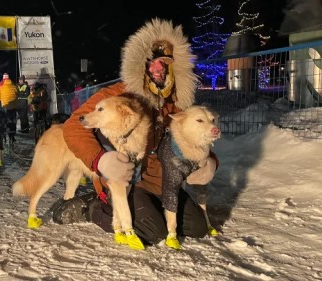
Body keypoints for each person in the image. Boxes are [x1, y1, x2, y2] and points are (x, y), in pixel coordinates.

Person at [55, 18, 219, 248]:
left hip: (162, 182)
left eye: (165, 62)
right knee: (154, 233)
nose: (158, 68)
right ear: (140, 65)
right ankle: (93, 207)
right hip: (129, 178)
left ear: (174, 67)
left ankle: (150, 211)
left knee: (197, 228)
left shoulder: (177, 104)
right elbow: (74, 126)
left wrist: (209, 162)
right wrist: (101, 160)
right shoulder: (118, 95)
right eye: (151, 62)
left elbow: (195, 138)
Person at [0, 73, 17, 142]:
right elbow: (17, 95)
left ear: (3, 78)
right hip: (13, 106)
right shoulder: (13, 85)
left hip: (5, 105)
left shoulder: (0, 86)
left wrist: (2, 99)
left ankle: (3, 133)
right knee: (13, 121)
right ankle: (12, 136)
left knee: (4, 120)